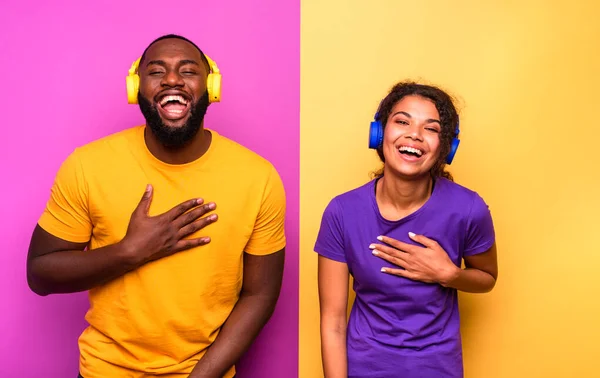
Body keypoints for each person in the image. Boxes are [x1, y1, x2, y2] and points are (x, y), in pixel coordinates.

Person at [26, 34, 286, 378]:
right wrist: (130, 251)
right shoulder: (87, 165)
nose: (173, 79)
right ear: (136, 89)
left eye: (188, 70)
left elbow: (260, 295)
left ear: (212, 87)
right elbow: (40, 274)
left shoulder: (259, 177)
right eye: (157, 71)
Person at [315, 81, 498, 378]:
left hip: (438, 369)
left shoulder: (468, 209)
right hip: (364, 368)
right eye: (402, 121)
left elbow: (487, 278)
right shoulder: (342, 212)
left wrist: (449, 275)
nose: (414, 134)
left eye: (431, 128)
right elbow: (332, 321)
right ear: (379, 133)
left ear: (446, 148)